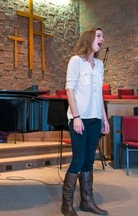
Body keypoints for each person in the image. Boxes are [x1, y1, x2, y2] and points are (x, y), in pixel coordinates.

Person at [61, 28, 110, 216]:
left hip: (95, 118)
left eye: (102, 36)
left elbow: (99, 95)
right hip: (79, 119)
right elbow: (70, 90)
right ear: (89, 38)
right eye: (99, 36)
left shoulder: (99, 65)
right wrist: (76, 116)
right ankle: (66, 205)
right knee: (79, 159)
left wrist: (104, 118)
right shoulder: (76, 61)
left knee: (90, 160)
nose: (102, 39)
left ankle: (87, 202)